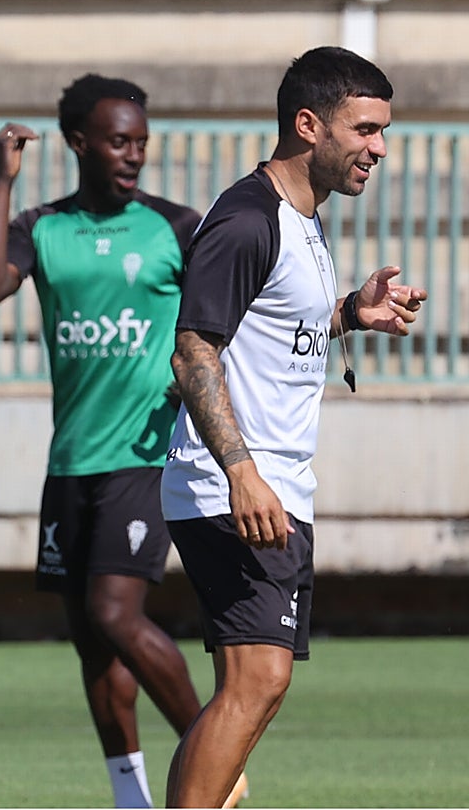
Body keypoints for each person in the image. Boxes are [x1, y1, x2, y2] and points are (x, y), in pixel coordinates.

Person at [0, 75, 249, 809]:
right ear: (80, 143)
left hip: (146, 456)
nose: (133, 155)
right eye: (119, 141)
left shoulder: (176, 227)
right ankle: (131, 797)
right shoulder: (43, 225)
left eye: (141, 143)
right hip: (71, 464)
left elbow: (228, 322)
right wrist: (3, 181)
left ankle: (217, 762)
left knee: (115, 614)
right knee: (94, 643)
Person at [160, 46, 427, 807]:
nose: (380, 147)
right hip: (235, 485)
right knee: (259, 681)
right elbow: (194, 351)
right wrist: (243, 472)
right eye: (365, 129)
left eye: (383, 130)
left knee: (248, 694)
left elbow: (264, 329)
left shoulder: (299, 219)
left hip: (270, 483)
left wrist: (351, 316)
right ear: (308, 125)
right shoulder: (248, 220)